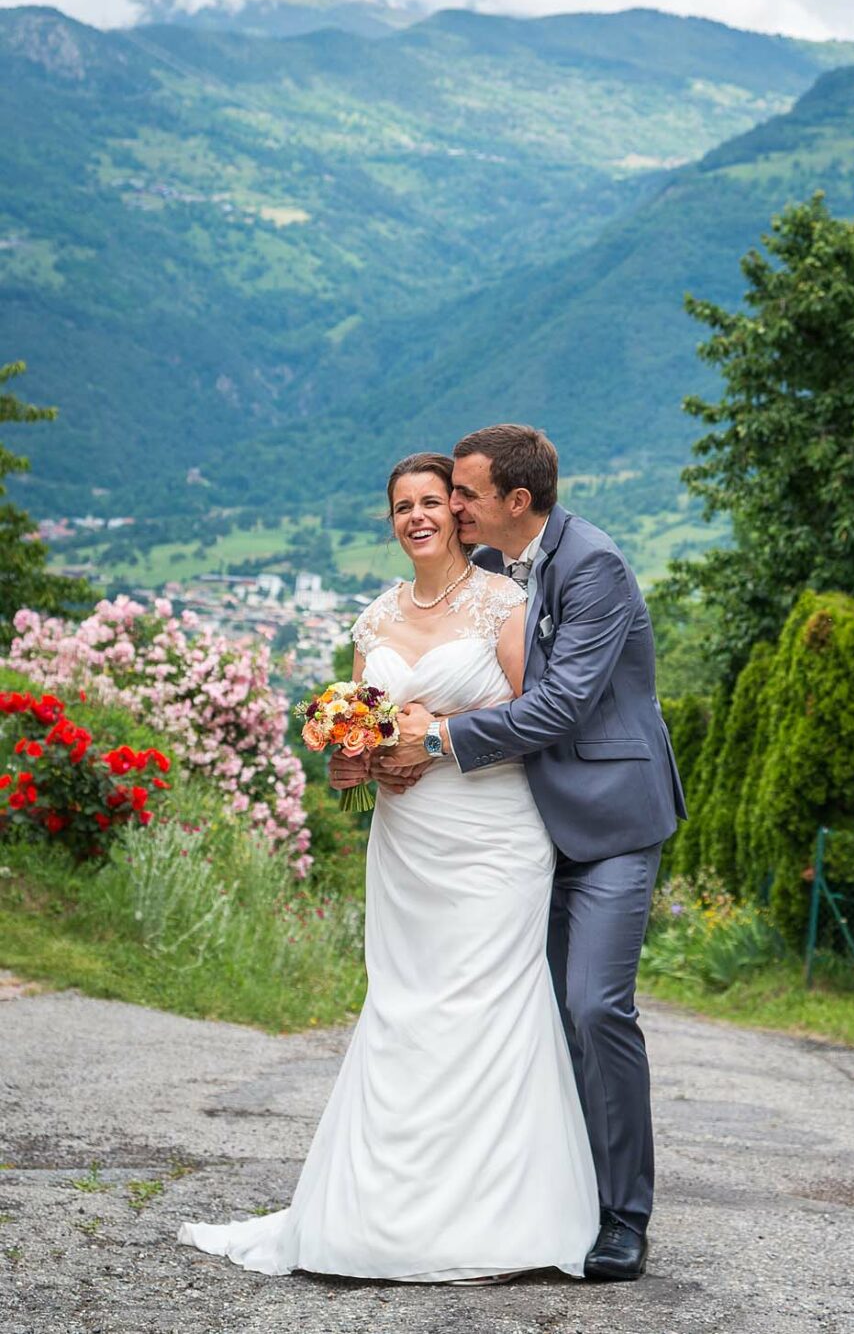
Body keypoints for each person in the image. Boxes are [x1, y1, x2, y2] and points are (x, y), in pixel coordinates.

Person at [177, 452, 599, 1282]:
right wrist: (351, 762)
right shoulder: (373, 619)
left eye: (432, 502)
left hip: (493, 833)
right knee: (405, 1008)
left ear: (459, 512)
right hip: (405, 838)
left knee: (486, 1005)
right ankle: (383, 1214)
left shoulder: (502, 602)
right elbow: (364, 738)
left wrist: (435, 734)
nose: (417, 517)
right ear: (392, 519)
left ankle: (498, 1219)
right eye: (402, 505)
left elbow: (535, 717)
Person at [378, 424, 686, 1282]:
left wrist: (437, 739)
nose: (452, 504)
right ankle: (550, 1199)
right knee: (529, 1020)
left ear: (517, 502)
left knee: (593, 1007)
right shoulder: (488, 571)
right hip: (521, 829)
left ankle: (625, 1215)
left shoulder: (594, 566)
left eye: (464, 494)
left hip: (612, 822)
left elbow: (561, 707)